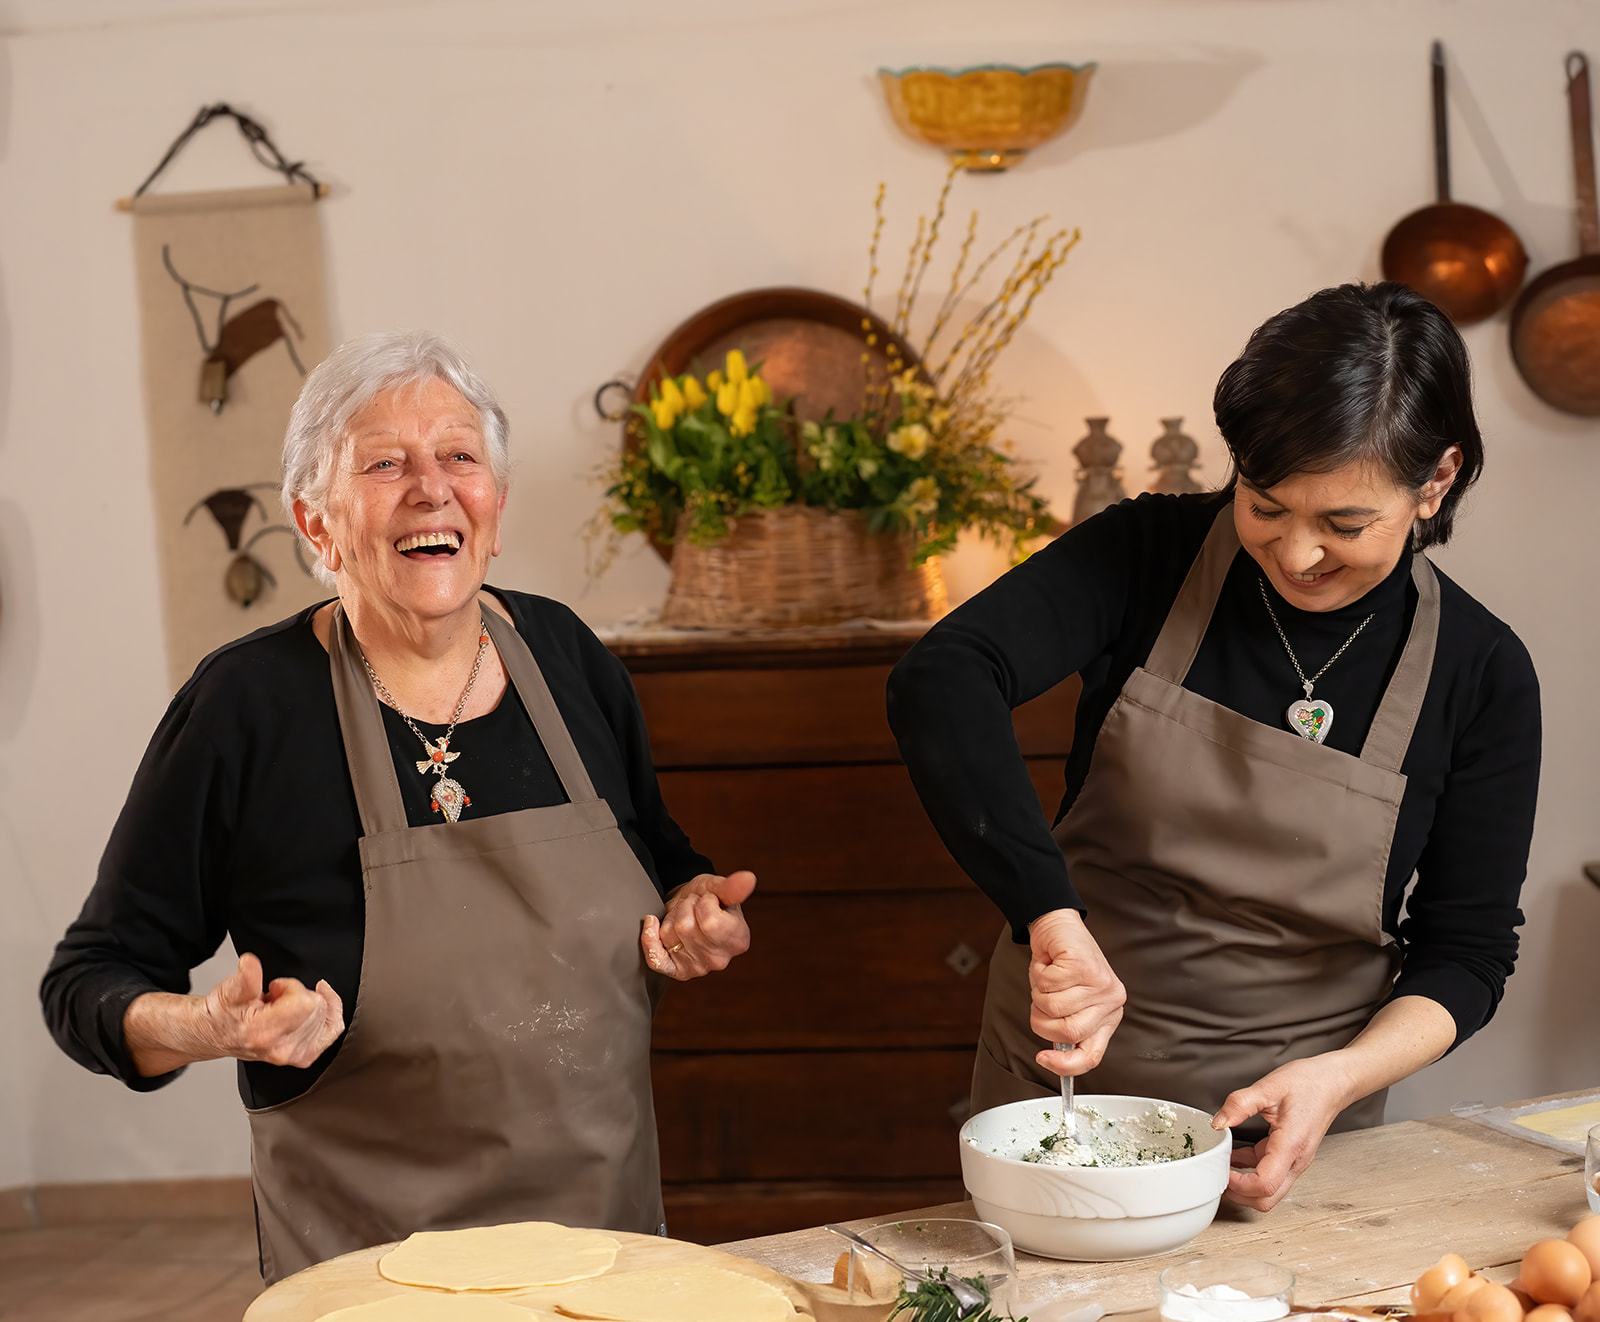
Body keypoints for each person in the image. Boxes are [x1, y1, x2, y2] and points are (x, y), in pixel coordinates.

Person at [41, 332, 754, 1282]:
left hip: (605, 1253)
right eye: (385, 464)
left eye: (459, 456)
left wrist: (695, 908)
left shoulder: (568, 654)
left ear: (494, 511)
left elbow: (662, 858)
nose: (432, 488)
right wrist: (206, 1027)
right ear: (316, 523)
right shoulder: (245, 709)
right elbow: (88, 981)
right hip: (369, 1275)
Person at [887, 282, 1540, 1212]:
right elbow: (943, 679)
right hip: (1069, 1097)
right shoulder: (1149, 554)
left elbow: (1468, 954)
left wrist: (1340, 1078)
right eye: (1266, 505)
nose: (1297, 555)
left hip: (1292, 1128)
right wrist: (1049, 919)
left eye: (1344, 525)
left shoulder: (1480, 672)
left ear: (1435, 481)